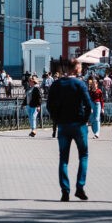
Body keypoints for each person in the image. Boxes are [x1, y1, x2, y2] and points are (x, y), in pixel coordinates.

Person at [46, 68, 94, 201]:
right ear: (77, 69)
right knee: (83, 156)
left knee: (63, 159)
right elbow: (88, 105)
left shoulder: (56, 84)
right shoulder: (80, 84)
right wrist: (84, 120)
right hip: (79, 125)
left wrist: (56, 119)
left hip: (63, 125)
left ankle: (65, 191)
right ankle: (80, 187)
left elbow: (49, 104)